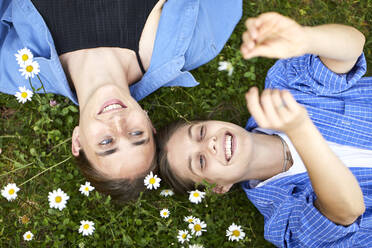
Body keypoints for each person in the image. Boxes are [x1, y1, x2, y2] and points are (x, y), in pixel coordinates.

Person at [157, 12, 372, 247]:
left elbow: (353, 46)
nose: (209, 144)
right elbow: (349, 211)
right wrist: (300, 130)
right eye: (200, 161)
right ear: (219, 187)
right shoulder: (284, 222)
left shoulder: (285, 87)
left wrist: (306, 38)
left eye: (200, 133)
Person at [0, 0, 242, 201]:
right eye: (137, 135)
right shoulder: (194, 45)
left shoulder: (17, 69)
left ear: (78, 142)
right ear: (149, 123)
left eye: (106, 142)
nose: (118, 124)